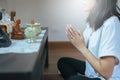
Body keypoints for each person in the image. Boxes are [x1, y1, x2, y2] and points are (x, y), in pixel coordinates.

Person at [57, 0, 120, 80]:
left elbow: (106, 73)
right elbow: (88, 46)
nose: (82, 1)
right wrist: (77, 40)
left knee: (74, 79)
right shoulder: (93, 21)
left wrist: (81, 47)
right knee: (63, 62)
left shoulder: (111, 23)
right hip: (93, 70)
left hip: (105, 77)